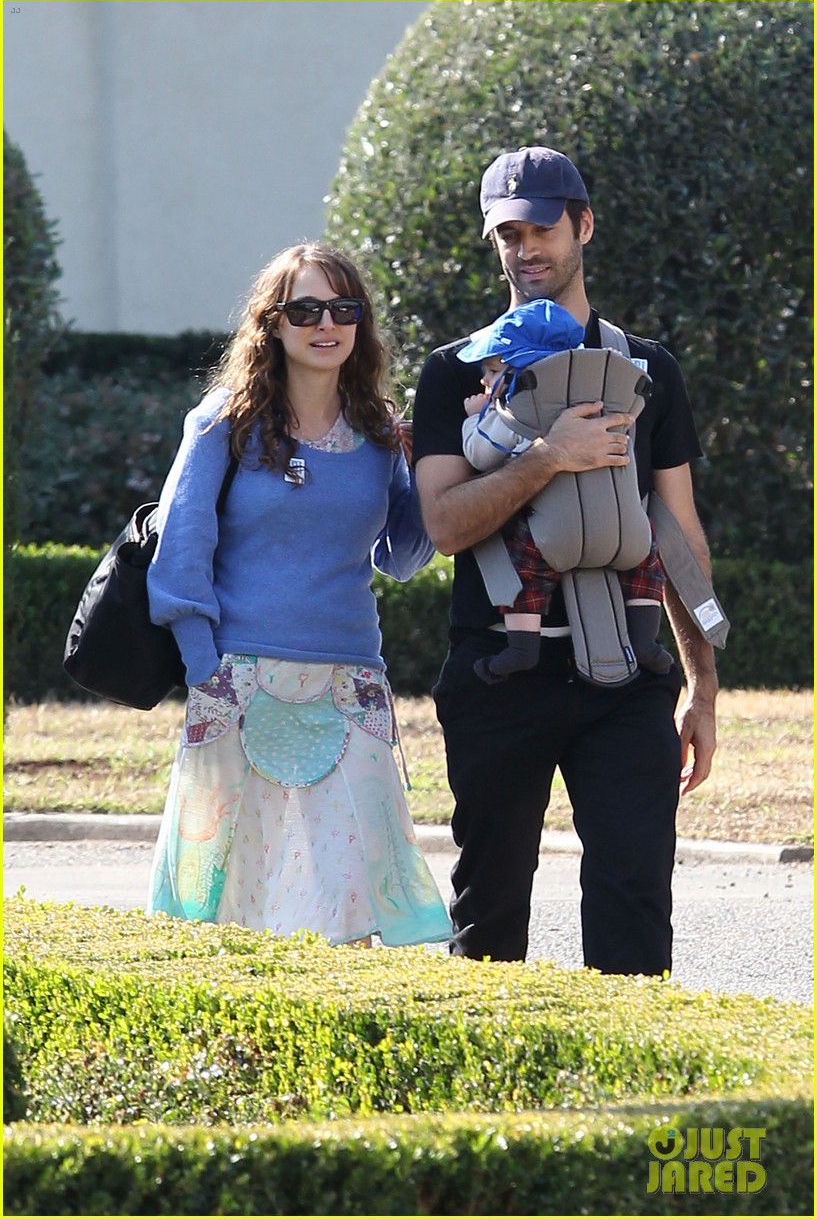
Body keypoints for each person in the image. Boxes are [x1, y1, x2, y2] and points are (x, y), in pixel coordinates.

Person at [412, 146, 719, 975]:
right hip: (497, 679)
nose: (525, 248)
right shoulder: (453, 374)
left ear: (582, 225)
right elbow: (441, 525)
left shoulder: (651, 368)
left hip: (629, 679)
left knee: (633, 908)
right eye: (507, 233)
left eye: (541, 227)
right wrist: (547, 455)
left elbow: (678, 534)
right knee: (488, 913)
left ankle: (639, 1103)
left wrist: (702, 688)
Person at [146, 242, 451, 949]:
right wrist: (204, 669)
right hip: (235, 677)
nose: (326, 324)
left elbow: (403, 556)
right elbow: (180, 551)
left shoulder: (378, 431)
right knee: (221, 894)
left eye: (343, 308)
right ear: (272, 324)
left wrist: (422, 462)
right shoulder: (225, 421)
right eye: (305, 308)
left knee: (351, 893)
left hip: (349, 682)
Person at [458, 297, 673, 684]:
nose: (485, 382)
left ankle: (521, 648)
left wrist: (475, 420)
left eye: (492, 371)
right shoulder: (607, 402)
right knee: (647, 563)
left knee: (524, 576)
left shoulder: (515, 411)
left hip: (550, 537)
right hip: (624, 528)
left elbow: (480, 453)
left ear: (521, 370)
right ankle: (645, 642)